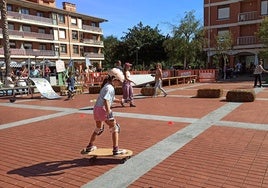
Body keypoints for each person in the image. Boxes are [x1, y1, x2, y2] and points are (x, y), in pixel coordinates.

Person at [81, 74, 126, 155]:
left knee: (99, 128)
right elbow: (106, 100)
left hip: (96, 109)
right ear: (114, 80)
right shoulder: (110, 88)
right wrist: (109, 112)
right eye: (118, 81)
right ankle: (116, 149)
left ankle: (89, 146)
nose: (119, 84)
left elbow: (110, 99)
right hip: (103, 109)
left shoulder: (106, 86)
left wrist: (121, 101)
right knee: (115, 128)